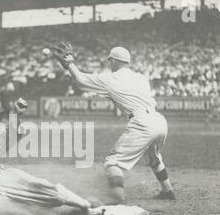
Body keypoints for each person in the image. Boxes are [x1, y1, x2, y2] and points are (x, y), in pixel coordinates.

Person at [53, 43, 175, 203]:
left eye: (110, 60)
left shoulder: (110, 78)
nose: (109, 64)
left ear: (114, 61)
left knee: (112, 163)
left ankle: (117, 197)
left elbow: (81, 81)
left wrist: (70, 64)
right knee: (154, 157)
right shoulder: (141, 78)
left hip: (142, 122)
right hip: (159, 120)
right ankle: (168, 190)